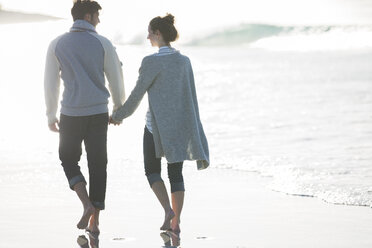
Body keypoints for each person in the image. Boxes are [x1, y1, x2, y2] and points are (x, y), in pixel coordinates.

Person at [110, 13, 209, 235]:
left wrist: (118, 115)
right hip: (179, 128)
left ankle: (167, 211)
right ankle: (176, 223)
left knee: (152, 171)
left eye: (150, 32)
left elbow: (136, 95)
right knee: (176, 175)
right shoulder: (184, 61)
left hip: (154, 129)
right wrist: (194, 129)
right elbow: (190, 97)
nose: (147, 36)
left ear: (158, 33)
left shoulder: (151, 62)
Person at [44, 0, 125, 234]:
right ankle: (95, 222)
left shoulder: (56, 44)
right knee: (98, 163)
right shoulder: (103, 43)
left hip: (70, 112)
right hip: (98, 112)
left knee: (68, 159)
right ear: (88, 16)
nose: (99, 21)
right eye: (97, 16)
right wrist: (118, 109)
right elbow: (116, 78)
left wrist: (51, 114)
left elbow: (50, 83)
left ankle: (86, 204)